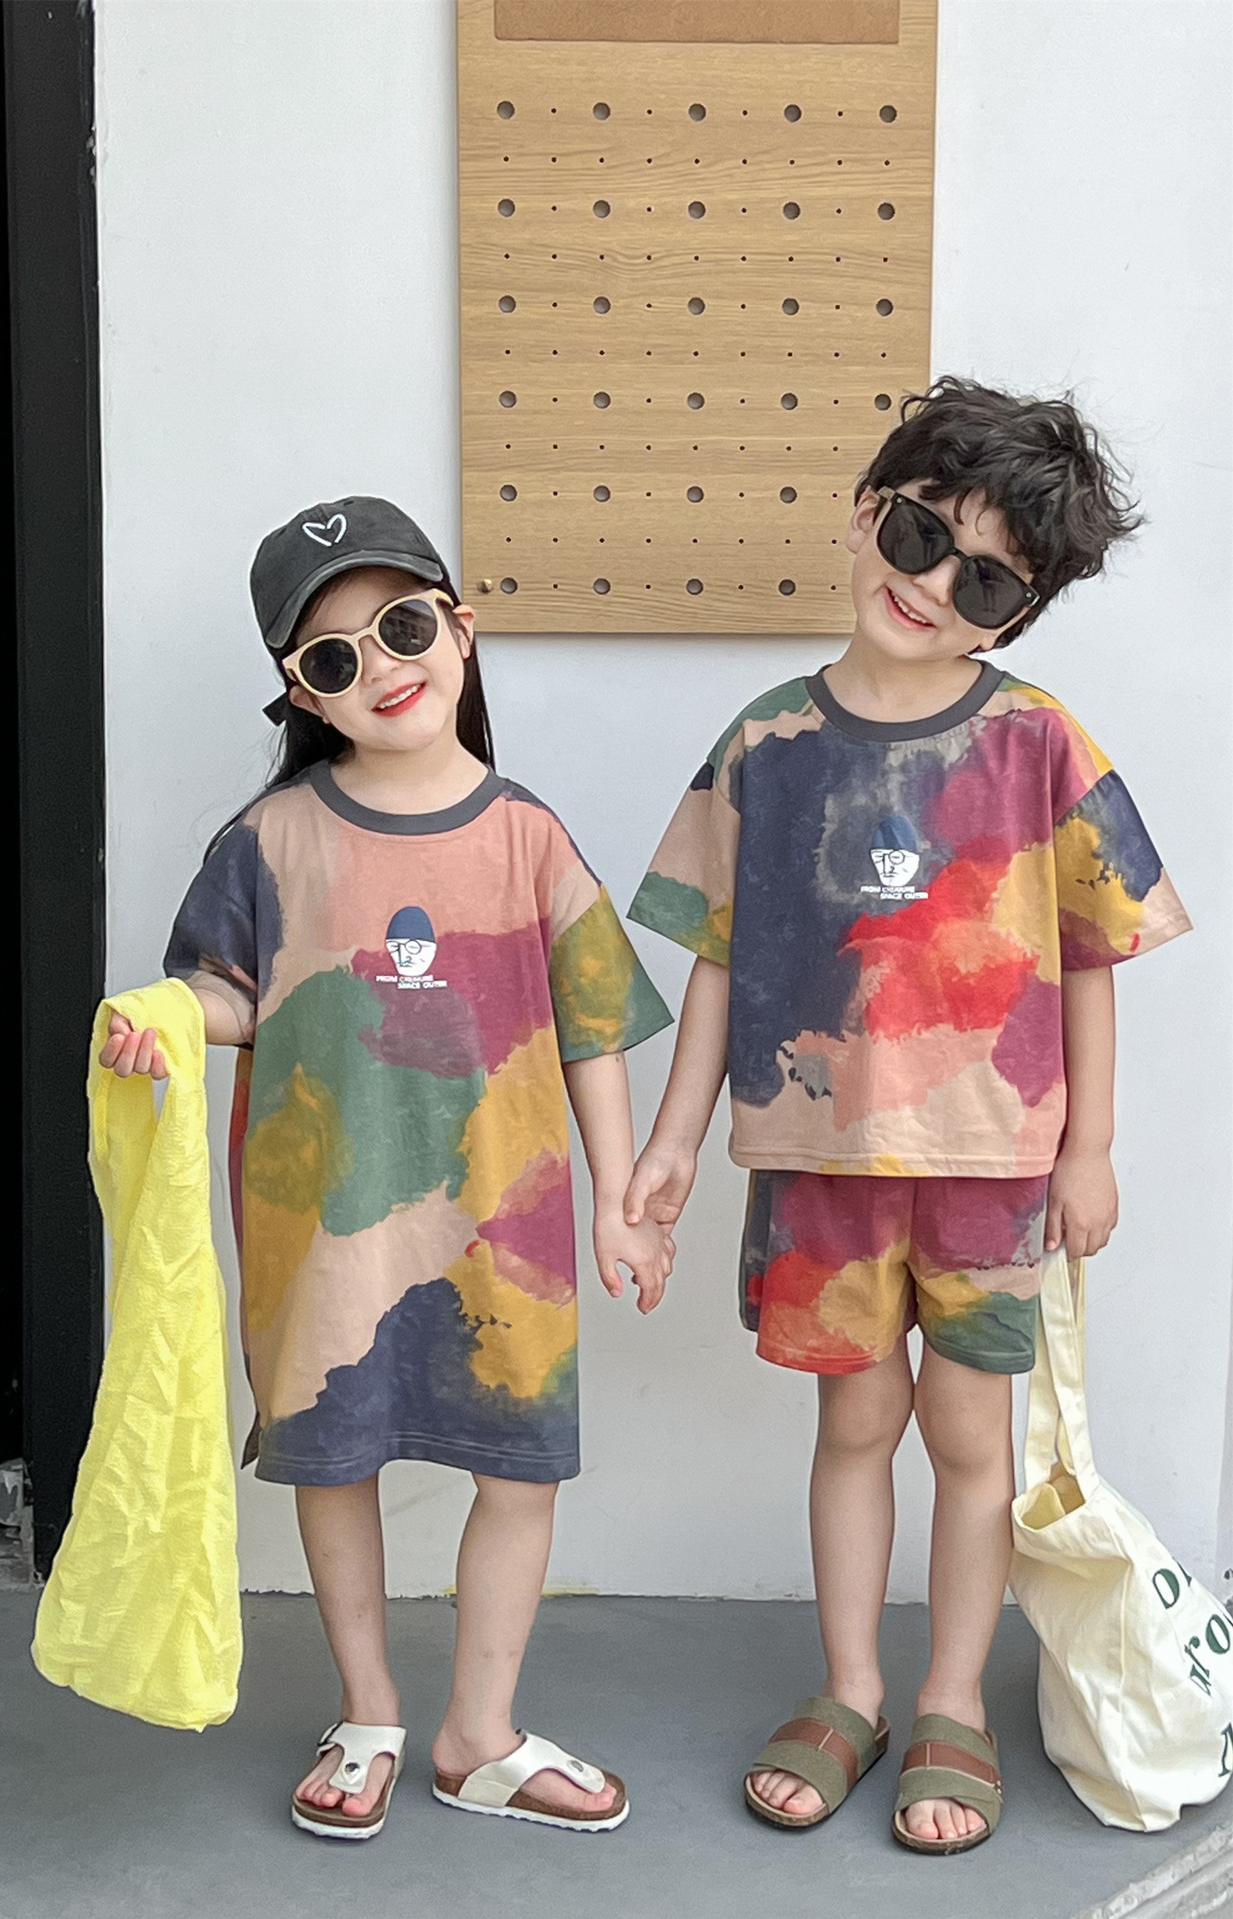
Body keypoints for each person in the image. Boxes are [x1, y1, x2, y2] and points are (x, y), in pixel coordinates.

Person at [624, 381, 1191, 1854]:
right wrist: (673, 1141)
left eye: (985, 579)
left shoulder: (1041, 743)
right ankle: (853, 1688)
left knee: (967, 1432)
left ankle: (953, 1701)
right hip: (820, 1161)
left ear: (1019, 613)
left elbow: (1089, 954)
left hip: (996, 1165)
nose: (933, 585)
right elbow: (717, 959)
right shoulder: (765, 743)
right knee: (856, 1420)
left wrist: (1090, 1148)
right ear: (868, 509)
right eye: (923, 535)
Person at [101, 497, 673, 1839]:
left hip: (505, 1232)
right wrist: (167, 1020)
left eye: (403, 627)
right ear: (301, 693)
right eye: (334, 656)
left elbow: (590, 1026)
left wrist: (620, 1203)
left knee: (519, 1472)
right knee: (334, 1461)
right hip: (326, 1232)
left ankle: (482, 1733)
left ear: (461, 630)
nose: (382, 667)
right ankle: (367, 1712)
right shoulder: (269, 840)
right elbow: (229, 991)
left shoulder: (529, 835)